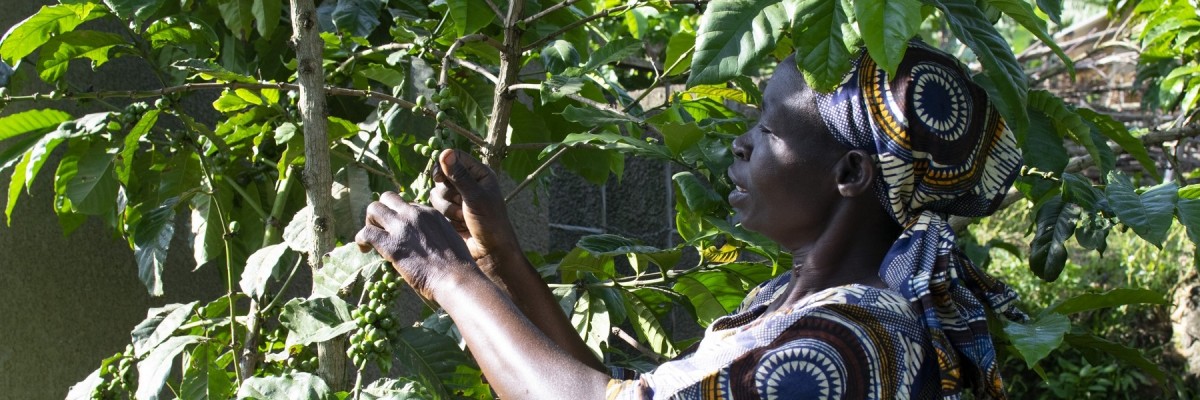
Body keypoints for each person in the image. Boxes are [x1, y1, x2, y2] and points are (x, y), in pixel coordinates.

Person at [355, 41, 1027, 399]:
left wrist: (448, 278)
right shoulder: (787, 307)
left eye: (766, 128)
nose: (740, 143)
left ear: (850, 174)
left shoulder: (846, 345)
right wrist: (495, 257)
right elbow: (618, 391)